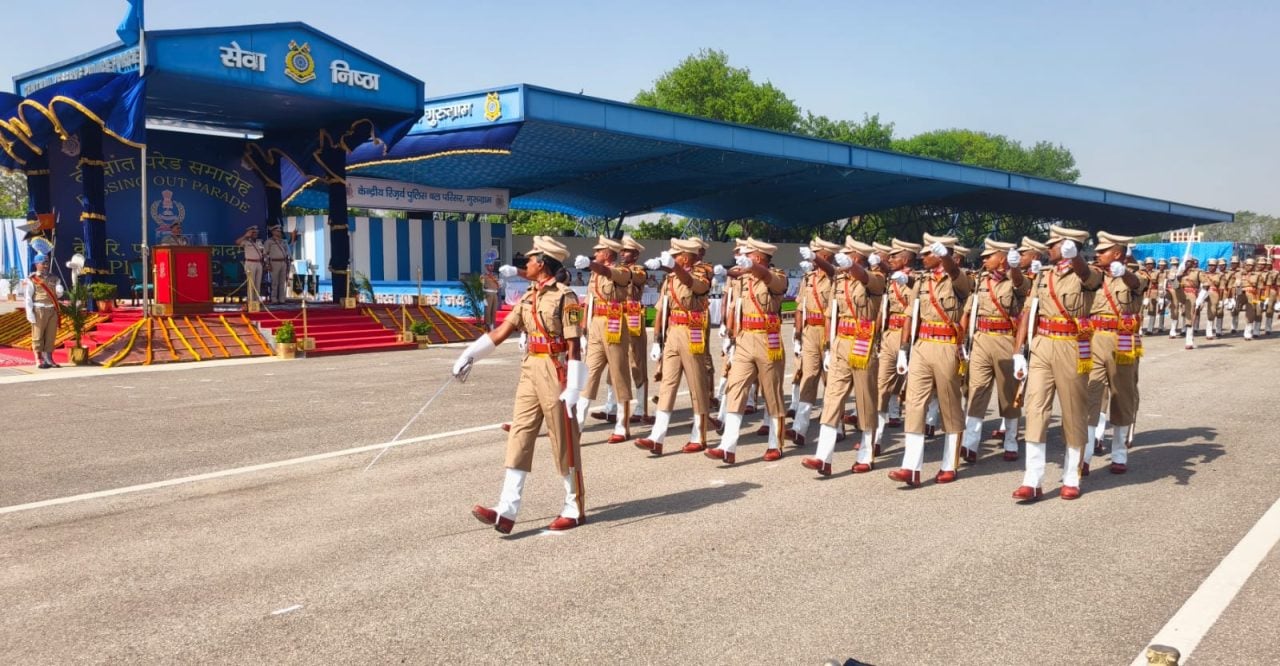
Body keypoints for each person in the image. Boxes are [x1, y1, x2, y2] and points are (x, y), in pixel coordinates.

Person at [457, 236, 587, 534]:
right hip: (530, 368)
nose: (524, 264)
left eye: (528, 260)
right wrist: (469, 354)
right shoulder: (528, 296)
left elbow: (574, 344)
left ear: (542, 263)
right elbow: (502, 331)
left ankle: (574, 507)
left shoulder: (566, 297)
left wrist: (574, 386)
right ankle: (507, 510)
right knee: (520, 436)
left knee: (563, 441)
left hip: (556, 370)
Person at [1010, 225, 1102, 501]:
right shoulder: (1043, 276)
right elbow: (1028, 312)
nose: (1047, 248)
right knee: (1035, 408)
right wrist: (1019, 350)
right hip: (1042, 345)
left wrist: (1075, 257)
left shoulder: (1090, 271)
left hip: (1072, 346)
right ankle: (1032, 479)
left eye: (1053, 244)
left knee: (1073, 411)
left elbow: (1087, 276)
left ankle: (1072, 476)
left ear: (1066, 247)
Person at [889, 234, 972, 487]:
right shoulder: (922, 281)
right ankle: (910, 466)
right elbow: (910, 315)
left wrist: (947, 257)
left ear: (940, 254)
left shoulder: (960, 278)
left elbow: (956, 273)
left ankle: (949, 464)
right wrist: (904, 348)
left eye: (928, 253)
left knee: (949, 404)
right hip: (922, 344)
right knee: (914, 403)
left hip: (947, 345)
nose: (922, 257)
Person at [801, 238, 885, 476]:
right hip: (841, 343)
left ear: (857, 257)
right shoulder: (840, 280)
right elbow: (831, 274)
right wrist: (816, 258)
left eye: (848, 254)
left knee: (865, 400)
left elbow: (865, 278)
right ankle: (823, 457)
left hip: (862, 344)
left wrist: (850, 266)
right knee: (832, 398)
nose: (843, 257)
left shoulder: (875, 278)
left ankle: (866, 455)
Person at [706, 238, 789, 465]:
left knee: (772, 393)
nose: (744, 258)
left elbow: (772, 281)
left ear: (760, 258)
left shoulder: (778, 276)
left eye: (749, 255)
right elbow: (735, 304)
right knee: (735, 388)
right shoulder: (744, 278)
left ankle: (775, 444)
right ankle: (727, 447)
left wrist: (752, 268)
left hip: (767, 339)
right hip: (744, 339)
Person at [635, 238, 713, 456]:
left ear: (685, 257)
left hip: (692, 331)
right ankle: (657, 437)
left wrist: (675, 267)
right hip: (673, 332)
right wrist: (657, 340)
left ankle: (699, 436)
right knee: (667, 385)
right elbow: (662, 309)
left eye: (676, 255)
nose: (673, 258)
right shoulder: (669, 279)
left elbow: (693, 285)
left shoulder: (701, 274)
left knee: (697, 384)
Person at [959, 239, 1028, 464]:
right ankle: (970, 443)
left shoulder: (1015, 281)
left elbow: (1020, 285)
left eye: (989, 256)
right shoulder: (980, 281)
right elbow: (968, 311)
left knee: (1008, 393)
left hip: (1005, 340)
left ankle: (1010, 440)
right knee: (977, 389)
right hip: (980, 339)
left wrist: (1015, 267)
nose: (984, 259)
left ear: (1001, 258)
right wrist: (961, 341)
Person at [1083, 232, 1144, 475]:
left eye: (1102, 251)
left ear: (1117, 254)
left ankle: (1119, 452)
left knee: (1121, 396)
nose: (1097, 254)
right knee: (1091, 392)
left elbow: (1137, 285)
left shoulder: (1136, 274)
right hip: (1094, 338)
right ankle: (1085, 454)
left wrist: (1124, 272)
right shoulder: (1094, 277)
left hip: (1123, 341)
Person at [573, 236, 634, 443]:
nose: (595, 253)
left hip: (614, 324)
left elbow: (610, 273)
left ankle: (622, 425)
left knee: (619, 373)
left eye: (598, 251)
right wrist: (584, 330)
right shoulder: (594, 275)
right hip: (596, 324)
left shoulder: (622, 271)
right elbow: (590, 301)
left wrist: (591, 264)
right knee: (589, 373)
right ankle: (577, 424)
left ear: (608, 254)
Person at [791, 237, 842, 446]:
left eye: (816, 255)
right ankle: (799, 428)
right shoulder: (808, 278)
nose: (812, 259)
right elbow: (799, 306)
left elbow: (830, 271)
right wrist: (797, 333)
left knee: (831, 380)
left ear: (825, 256)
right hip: (810, 331)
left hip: (830, 332)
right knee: (808, 376)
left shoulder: (836, 276)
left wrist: (817, 260)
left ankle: (837, 426)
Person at [874, 239, 920, 442]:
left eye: (894, 256)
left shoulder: (918, 278)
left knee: (916, 387)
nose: (890, 259)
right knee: (882, 383)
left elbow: (913, 285)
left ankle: (920, 428)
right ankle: (874, 436)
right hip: (891, 333)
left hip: (913, 335)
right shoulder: (891, 279)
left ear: (906, 258)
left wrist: (904, 278)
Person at [24, 253, 64, 369]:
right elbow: (28, 297)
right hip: (39, 309)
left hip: (52, 309)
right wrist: (29, 312)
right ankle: (39, 358)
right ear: (37, 264)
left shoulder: (54, 278)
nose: (46, 265)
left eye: (47, 263)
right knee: (38, 335)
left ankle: (49, 358)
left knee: (51, 335)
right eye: (43, 263)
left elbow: (58, 295)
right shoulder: (32, 279)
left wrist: (59, 291)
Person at [235, 225, 265, 303]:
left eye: (256, 232)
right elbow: (237, 242)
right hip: (250, 263)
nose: (255, 234)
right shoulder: (246, 241)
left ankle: (257, 301)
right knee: (251, 283)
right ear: (250, 233)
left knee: (258, 283)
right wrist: (245, 236)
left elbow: (263, 252)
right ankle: (251, 301)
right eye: (253, 232)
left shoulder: (259, 241)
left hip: (259, 263)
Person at [264, 225, 292, 303]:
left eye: (280, 231)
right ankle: (274, 298)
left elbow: (288, 252)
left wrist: (290, 257)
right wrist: (267, 264)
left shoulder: (284, 241)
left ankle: (282, 298)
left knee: (282, 281)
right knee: (274, 282)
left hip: (283, 262)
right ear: (273, 232)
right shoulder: (269, 242)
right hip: (274, 262)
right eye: (277, 231)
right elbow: (265, 254)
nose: (279, 232)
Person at [482, 263, 501, 331]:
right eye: (490, 266)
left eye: (492, 265)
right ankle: (487, 325)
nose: (491, 267)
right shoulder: (483, 276)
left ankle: (492, 325)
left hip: (495, 294)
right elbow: (481, 287)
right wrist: (483, 298)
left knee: (494, 311)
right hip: (488, 294)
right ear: (486, 266)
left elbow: (499, 286)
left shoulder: (495, 275)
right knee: (488, 311)